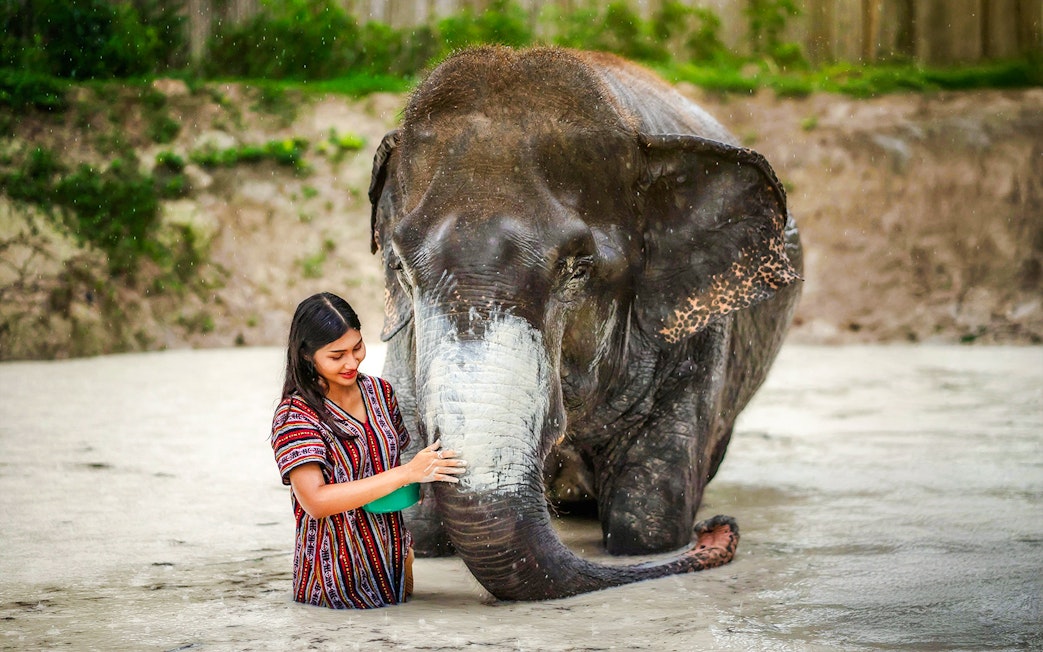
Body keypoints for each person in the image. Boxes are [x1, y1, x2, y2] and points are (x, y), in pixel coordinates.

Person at [270, 292, 466, 608]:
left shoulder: (380, 392)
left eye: (357, 347)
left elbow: (389, 469)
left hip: (393, 568)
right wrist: (407, 473)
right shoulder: (296, 415)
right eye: (336, 356)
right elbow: (316, 502)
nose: (351, 362)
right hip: (333, 582)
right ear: (307, 355)